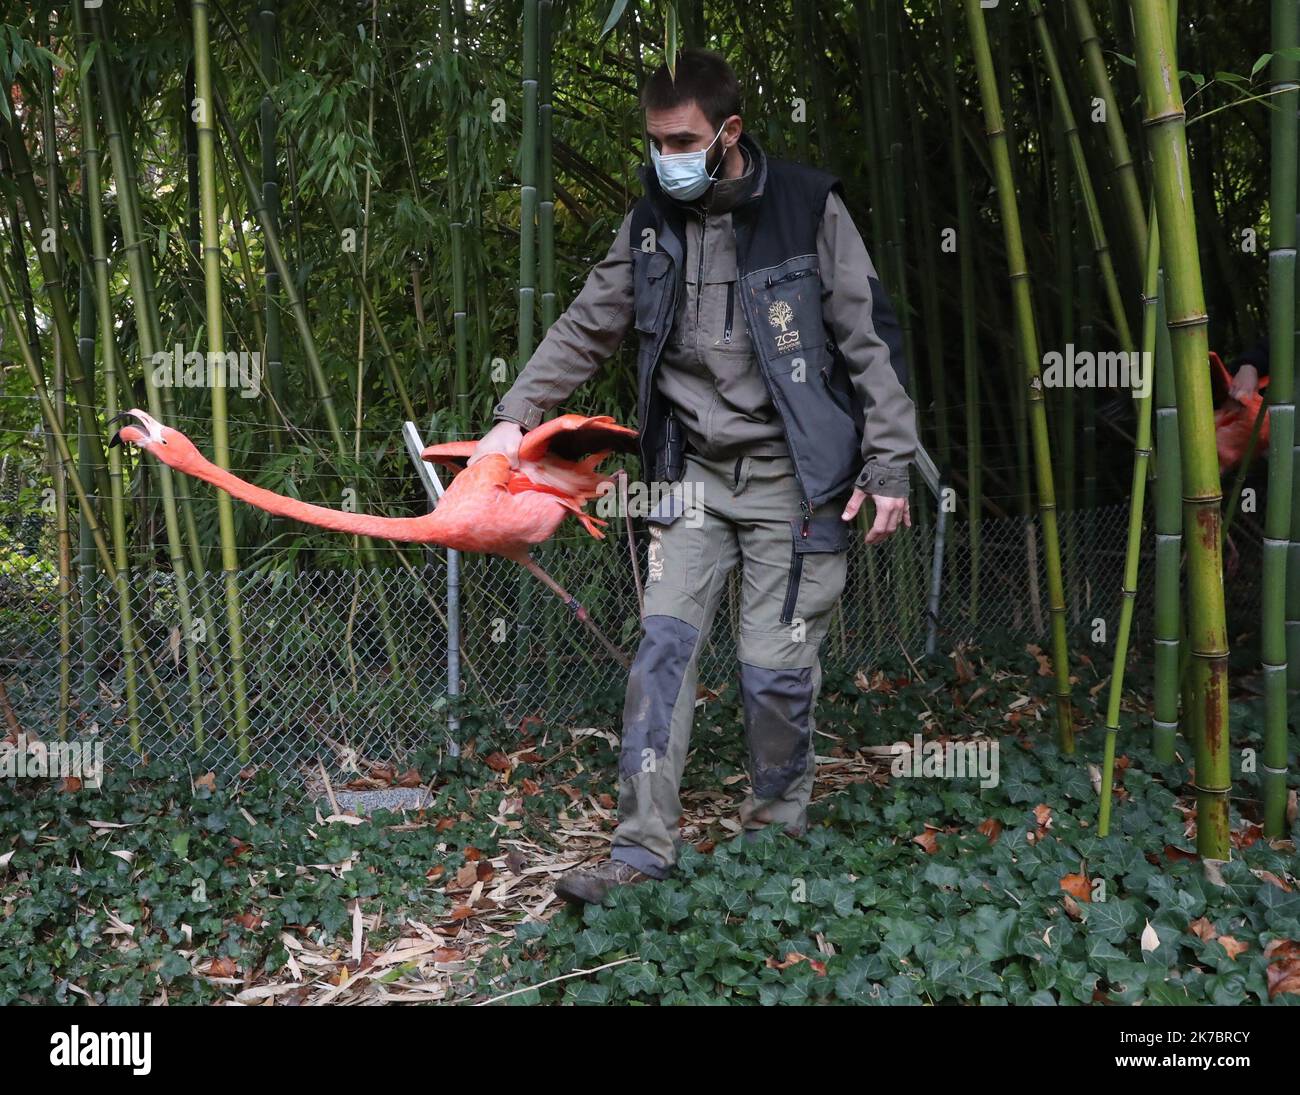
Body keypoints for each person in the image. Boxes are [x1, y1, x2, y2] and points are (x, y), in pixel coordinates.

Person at [471, 48, 919, 905]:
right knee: (662, 654)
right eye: (654, 141)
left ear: (730, 132)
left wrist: (890, 461)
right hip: (691, 476)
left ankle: (775, 832)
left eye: (682, 140)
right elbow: (588, 321)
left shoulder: (806, 207)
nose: (665, 155)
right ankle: (640, 851)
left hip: (798, 478)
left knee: (772, 670)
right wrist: (515, 415)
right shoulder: (650, 219)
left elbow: (870, 336)